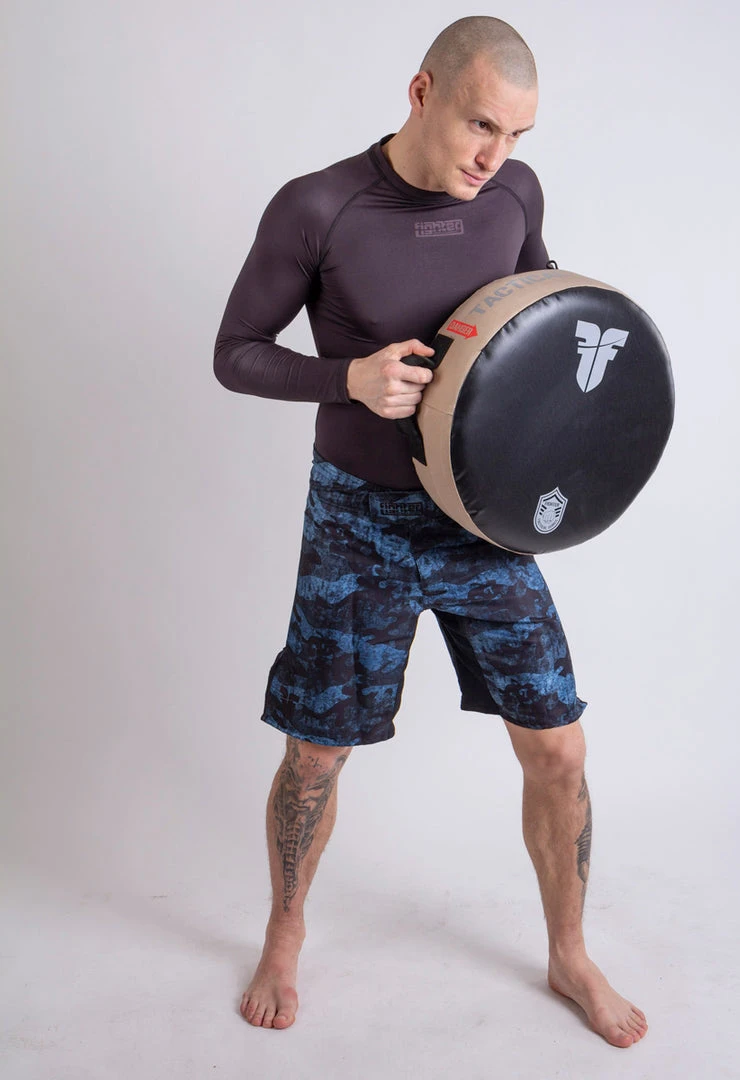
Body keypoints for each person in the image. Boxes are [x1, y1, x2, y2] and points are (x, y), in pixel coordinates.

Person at [213, 16, 648, 1049]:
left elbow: (537, 316)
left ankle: (569, 953)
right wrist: (346, 379)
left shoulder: (515, 194)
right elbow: (235, 351)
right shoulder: (319, 207)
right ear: (422, 93)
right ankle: (285, 932)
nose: (495, 156)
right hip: (359, 520)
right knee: (316, 755)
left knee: (559, 746)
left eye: (518, 135)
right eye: (481, 124)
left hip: (484, 521)